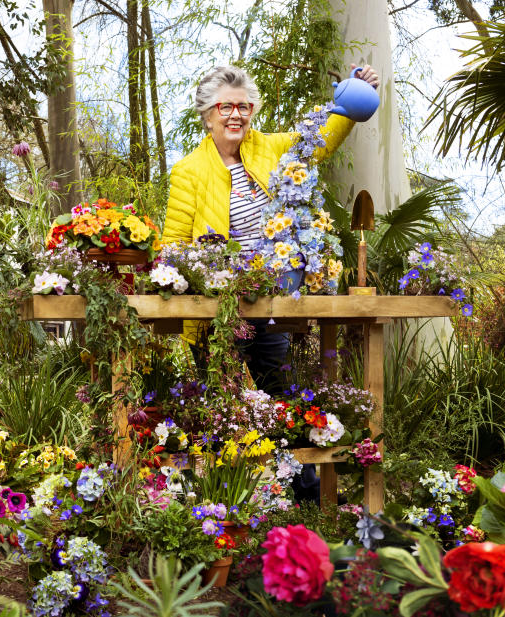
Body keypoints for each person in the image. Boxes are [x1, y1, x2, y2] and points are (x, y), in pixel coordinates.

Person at [160, 64, 379, 503]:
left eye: (244, 105)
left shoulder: (273, 148)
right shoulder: (188, 171)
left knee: (280, 396)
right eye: (226, 106)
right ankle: (220, 501)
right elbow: (173, 245)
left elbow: (320, 141)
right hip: (217, 312)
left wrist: (355, 97)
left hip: (271, 302)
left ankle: (308, 493)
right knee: (219, 402)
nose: (236, 114)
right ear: (207, 113)